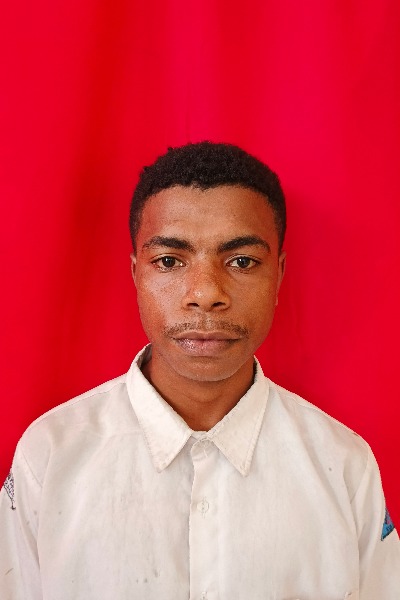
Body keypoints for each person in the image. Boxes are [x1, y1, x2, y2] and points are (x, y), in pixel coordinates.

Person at [1, 141, 399, 599]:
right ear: (136, 274)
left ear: (278, 274)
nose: (206, 293)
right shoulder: (50, 455)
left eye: (242, 261)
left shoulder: (344, 466)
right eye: (169, 261)